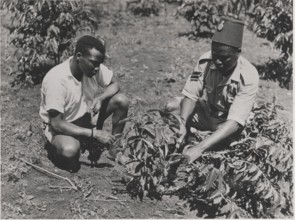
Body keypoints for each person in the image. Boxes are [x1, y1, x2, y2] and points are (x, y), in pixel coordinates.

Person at [165, 17, 259, 164]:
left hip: (228, 125)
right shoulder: (206, 61)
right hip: (209, 113)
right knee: (171, 108)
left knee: (235, 145)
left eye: (225, 58)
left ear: (238, 53)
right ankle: (188, 138)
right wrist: (182, 124)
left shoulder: (248, 75)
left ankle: (206, 145)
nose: (218, 62)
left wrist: (199, 149)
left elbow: (235, 121)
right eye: (215, 55)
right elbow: (190, 94)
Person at [40, 35, 129, 172]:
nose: (98, 68)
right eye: (94, 63)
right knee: (70, 150)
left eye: (99, 64)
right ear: (79, 56)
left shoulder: (92, 67)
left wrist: (101, 97)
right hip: (63, 127)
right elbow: (57, 124)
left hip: (86, 118)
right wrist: (94, 134)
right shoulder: (56, 79)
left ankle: (114, 150)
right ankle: (55, 150)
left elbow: (115, 85)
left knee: (121, 100)